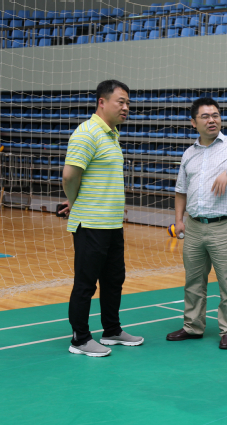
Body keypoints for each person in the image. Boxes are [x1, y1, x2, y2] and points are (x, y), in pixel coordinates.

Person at [166, 97, 227, 350]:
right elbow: (181, 190)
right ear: (193, 122)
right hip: (194, 227)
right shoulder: (189, 154)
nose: (212, 120)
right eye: (205, 116)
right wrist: (179, 220)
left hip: (224, 226)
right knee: (193, 281)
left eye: (215, 115)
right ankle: (192, 327)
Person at [61, 79, 143, 357]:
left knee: (114, 280)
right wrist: (76, 203)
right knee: (86, 284)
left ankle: (112, 330)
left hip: (112, 224)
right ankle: (80, 338)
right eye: (121, 102)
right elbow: (69, 176)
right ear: (102, 102)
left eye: (128, 103)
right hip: (90, 224)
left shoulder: (112, 135)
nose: (126, 107)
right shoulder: (87, 133)